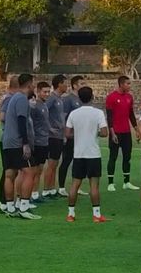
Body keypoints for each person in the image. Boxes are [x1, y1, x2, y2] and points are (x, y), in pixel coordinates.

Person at [65, 87, 110, 223]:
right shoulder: (98, 113)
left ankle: (71, 214)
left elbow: (67, 134)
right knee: (94, 186)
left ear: (79, 98)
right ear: (92, 97)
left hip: (78, 154)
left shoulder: (74, 114)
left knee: (75, 185)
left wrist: (78, 134)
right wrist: (94, 132)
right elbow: (104, 132)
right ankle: (96, 215)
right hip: (93, 154)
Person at [1, 73, 40, 220]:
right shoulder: (22, 99)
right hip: (17, 142)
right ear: (29, 84)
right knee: (31, 171)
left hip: (8, 142)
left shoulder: (14, 98)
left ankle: (10, 208)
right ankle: (24, 207)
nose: (34, 87)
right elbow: (22, 121)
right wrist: (25, 144)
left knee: (10, 174)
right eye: (33, 84)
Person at [105, 76, 140, 192]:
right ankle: (110, 183)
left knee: (127, 157)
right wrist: (112, 132)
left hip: (126, 132)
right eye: (128, 84)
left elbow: (131, 115)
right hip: (116, 133)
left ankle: (126, 182)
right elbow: (109, 117)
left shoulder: (129, 97)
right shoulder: (111, 97)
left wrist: (136, 130)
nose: (130, 86)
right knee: (113, 157)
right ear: (121, 84)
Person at [58, 75, 86, 197]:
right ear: (74, 85)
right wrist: (65, 134)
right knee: (66, 160)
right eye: (81, 84)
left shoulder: (82, 99)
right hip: (71, 136)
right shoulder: (68, 99)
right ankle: (61, 187)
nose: (83, 86)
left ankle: (77, 186)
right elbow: (63, 117)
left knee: (79, 161)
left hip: (81, 136)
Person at [0, 75, 19, 213]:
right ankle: (4, 202)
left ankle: (6, 201)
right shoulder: (9, 98)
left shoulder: (7, 98)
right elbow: (2, 115)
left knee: (10, 172)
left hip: (7, 137)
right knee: (8, 172)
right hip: (8, 139)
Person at [43, 74, 67, 198]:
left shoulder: (59, 99)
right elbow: (44, 112)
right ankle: (47, 189)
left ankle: (52, 189)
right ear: (59, 84)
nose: (66, 86)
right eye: (65, 83)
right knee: (51, 164)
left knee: (55, 163)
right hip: (53, 136)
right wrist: (49, 128)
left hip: (59, 135)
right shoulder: (52, 98)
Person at [29, 82, 51, 203]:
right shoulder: (35, 106)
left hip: (44, 141)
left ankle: (35, 193)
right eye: (44, 92)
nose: (47, 94)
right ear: (38, 92)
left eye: (48, 92)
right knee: (34, 170)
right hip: (37, 142)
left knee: (40, 169)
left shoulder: (44, 105)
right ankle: (31, 194)